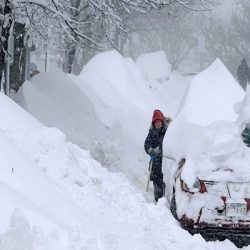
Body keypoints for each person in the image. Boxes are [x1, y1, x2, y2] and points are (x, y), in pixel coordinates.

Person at [144, 109, 172, 202]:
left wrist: (159, 149)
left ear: (162, 122)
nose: (158, 124)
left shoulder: (168, 131)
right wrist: (150, 150)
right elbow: (146, 144)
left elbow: (168, 144)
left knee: (166, 182)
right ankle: (158, 202)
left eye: (159, 121)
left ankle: (166, 201)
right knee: (157, 182)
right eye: (156, 122)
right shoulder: (152, 132)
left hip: (165, 162)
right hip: (155, 163)